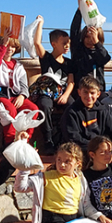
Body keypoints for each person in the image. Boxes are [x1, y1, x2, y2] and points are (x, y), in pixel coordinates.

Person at [60, 76, 112, 159]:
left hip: (102, 151)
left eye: (92, 93)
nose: (89, 96)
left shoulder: (102, 110)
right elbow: (73, 138)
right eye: (85, 92)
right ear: (79, 92)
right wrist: (97, 147)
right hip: (82, 152)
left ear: (98, 94)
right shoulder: (71, 112)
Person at [0, 36, 40, 146]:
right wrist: (2, 46)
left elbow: (24, 85)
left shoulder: (18, 65)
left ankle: (26, 139)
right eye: (7, 46)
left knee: (33, 109)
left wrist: (22, 95)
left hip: (15, 94)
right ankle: (10, 141)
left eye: (12, 46)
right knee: (10, 110)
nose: (9, 49)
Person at [29, 22, 73, 151]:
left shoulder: (69, 63)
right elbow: (37, 43)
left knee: (72, 106)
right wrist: (40, 24)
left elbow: (71, 82)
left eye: (68, 43)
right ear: (54, 44)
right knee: (44, 105)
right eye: (64, 43)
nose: (67, 46)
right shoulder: (46, 57)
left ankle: (67, 138)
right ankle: (48, 139)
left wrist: (65, 95)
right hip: (46, 92)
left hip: (62, 93)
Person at [70, 0, 111, 87]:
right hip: (79, 89)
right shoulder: (78, 49)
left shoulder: (99, 52)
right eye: (87, 37)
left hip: (96, 90)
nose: (89, 40)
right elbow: (74, 31)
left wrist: (96, 42)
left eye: (92, 37)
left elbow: (105, 58)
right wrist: (80, 10)